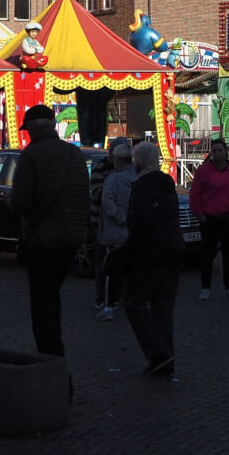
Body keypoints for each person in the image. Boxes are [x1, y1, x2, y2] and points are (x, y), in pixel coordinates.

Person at [9, 105, 89, 358]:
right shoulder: (74, 154)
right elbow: (82, 197)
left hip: (43, 240)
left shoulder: (31, 155)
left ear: (33, 128)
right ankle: (53, 357)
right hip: (71, 239)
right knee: (52, 296)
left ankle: (51, 362)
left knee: (43, 305)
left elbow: (20, 202)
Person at [121, 139, 184, 376]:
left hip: (150, 253)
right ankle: (166, 357)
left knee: (133, 302)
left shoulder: (141, 186)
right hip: (173, 249)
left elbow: (140, 223)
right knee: (163, 307)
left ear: (138, 163)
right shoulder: (168, 184)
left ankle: (159, 353)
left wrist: (127, 251)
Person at [189, 138, 229, 301]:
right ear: (211, 153)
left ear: (226, 152)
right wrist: (199, 214)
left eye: (220, 150)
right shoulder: (203, 171)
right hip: (209, 217)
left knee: (228, 254)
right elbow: (195, 194)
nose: (218, 153)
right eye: (215, 151)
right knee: (207, 254)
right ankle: (205, 288)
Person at [91, 135, 136, 320]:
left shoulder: (128, 172)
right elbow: (98, 195)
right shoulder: (102, 169)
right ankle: (103, 298)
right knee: (104, 263)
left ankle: (118, 296)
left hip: (120, 224)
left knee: (120, 262)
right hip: (100, 222)